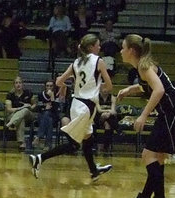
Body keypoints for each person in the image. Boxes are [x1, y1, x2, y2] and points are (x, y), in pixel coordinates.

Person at [116, 34, 175, 198]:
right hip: (170, 113)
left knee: (148, 155)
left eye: (123, 47)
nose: (120, 51)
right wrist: (129, 89)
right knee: (157, 157)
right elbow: (147, 86)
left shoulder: (144, 66)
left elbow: (159, 89)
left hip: (173, 113)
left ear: (131, 51)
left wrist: (143, 115)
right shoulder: (142, 66)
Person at [29, 34, 114, 182]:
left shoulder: (76, 62)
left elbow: (59, 81)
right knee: (74, 145)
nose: (100, 47)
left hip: (76, 104)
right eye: (97, 45)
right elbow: (110, 86)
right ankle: (40, 158)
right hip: (87, 106)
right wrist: (97, 88)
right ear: (91, 47)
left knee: (88, 138)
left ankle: (93, 171)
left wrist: (68, 85)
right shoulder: (99, 61)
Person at [5, 76, 35, 150]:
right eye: (16, 83)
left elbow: (34, 104)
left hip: (28, 114)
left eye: (20, 83)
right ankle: (22, 143)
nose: (18, 84)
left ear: (22, 84)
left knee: (25, 110)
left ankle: (10, 123)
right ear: (14, 85)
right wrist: (20, 108)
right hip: (14, 115)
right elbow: (9, 109)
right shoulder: (10, 95)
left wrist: (30, 107)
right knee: (21, 118)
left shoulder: (28, 93)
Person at [33, 79, 58, 150]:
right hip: (41, 116)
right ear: (45, 87)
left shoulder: (57, 95)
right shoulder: (41, 95)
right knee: (47, 117)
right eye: (47, 86)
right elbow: (38, 108)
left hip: (53, 116)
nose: (49, 88)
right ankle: (47, 144)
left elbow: (56, 110)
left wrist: (52, 98)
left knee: (49, 118)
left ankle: (38, 136)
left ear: (54, 87)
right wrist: (45, 108)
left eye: (51, 86)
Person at [95, 86, 119, 153]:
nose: (105, 89)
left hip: (109, 118)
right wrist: (107, 112)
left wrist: (107, 114)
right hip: (98, 118)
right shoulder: (96, 97)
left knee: (107, 125)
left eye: (106, 87)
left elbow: (113, 111)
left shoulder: (112, 97)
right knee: (106, 117)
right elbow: (99, 110)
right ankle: (118, 129)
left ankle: (106, 147)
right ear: (100, 89)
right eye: (103, 87)